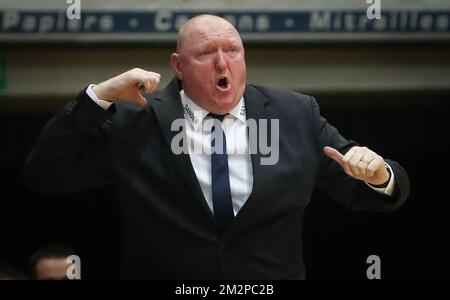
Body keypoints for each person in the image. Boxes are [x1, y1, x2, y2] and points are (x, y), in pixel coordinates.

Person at [24, 15, 410, 279]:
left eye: (233, 51)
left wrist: (380, 175)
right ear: (178, 65)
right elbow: (45, 173)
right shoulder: (135, 121)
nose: (222, 64)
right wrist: (100, 94)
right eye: (207, 53)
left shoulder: (295, 115)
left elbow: (372, 192)